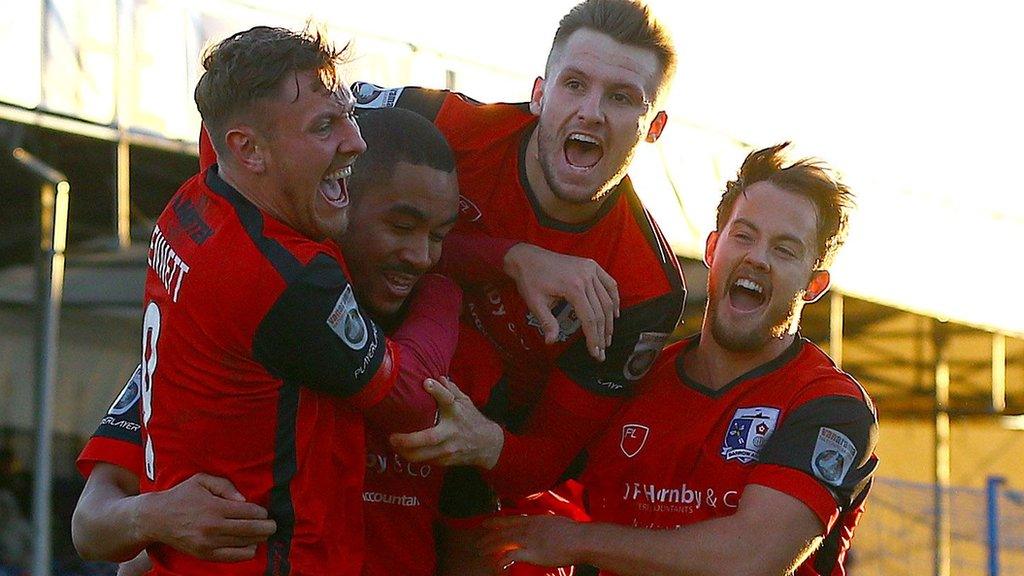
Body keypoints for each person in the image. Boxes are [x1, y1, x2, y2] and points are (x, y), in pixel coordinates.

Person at [73, 26, 464, 576]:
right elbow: (416, 398)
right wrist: (452, 286)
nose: (355, 141)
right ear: (248, 151)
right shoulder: (287, 282)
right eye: (325, 126)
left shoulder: (200, 200)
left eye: (440, 235)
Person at [484, 143, 879, 576]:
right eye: (744, 235)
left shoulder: (831, 407)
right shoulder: (632, 375)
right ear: (713, 250)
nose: (757, 258)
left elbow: (751, 559)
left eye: (785, 250)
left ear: (815, 283)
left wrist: (578, 541)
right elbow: (536, 467)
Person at [356, 0, 686, 506]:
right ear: (539, 95)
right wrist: (511, 257)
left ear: (655, 128)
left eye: (621, 98)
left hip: (460, 464)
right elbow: (263, 115)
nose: (591, 113)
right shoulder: (440, 123)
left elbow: (548, 461)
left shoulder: (647, 286)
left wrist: (485, 444)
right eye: (574, 84)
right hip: (344, 379)